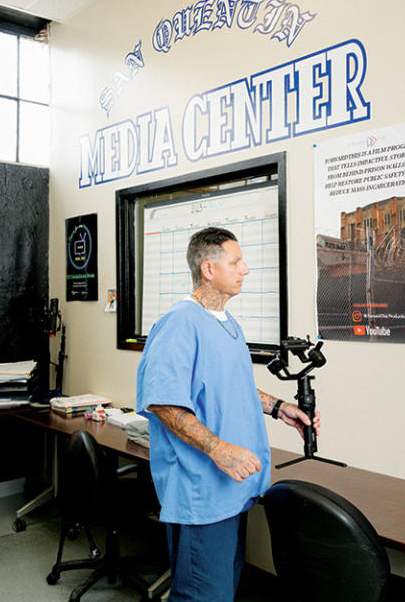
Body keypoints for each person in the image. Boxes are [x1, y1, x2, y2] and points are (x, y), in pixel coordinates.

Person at [136, 226, 320, 602]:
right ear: (208, 269)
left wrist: (279, 408)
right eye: (236, 262)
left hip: (232, 487)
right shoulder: (179, 323)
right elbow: (164, 402)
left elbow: (231, 386)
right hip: (202, 490)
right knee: (203, 594)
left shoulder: (228, 324)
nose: (245, 269)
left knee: (224, 587)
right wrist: (219, 449)